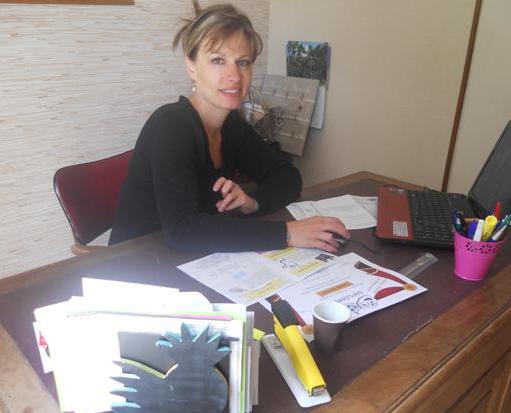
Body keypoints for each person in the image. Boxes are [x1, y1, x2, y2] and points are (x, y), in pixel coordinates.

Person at [109, 2, 349, 253]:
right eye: (218, 60)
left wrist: (253, 202)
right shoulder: (170, 125)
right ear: (191, 67)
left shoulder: (231, 124)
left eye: (243, 62)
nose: (234, 75)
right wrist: (287, 233)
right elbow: (183, 230)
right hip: (136, 260)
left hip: (195, 257)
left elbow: (287, 177)